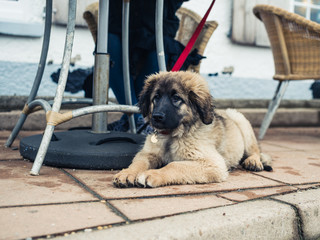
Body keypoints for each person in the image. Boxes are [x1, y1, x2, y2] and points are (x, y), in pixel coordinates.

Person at [83, 0, 203, 132]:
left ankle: (132, 118)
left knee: (156, 49)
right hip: (118, 24)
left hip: (156, 26)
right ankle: (137, 118)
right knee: (107, 45)